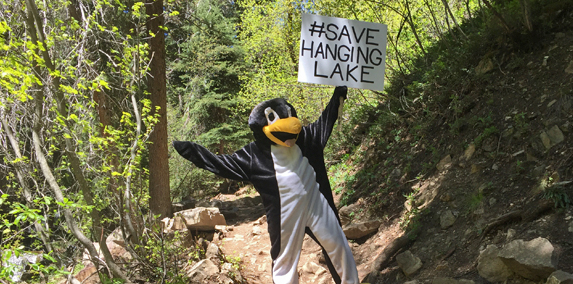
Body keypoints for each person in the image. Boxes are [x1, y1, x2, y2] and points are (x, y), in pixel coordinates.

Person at [173, 86, 359, 284]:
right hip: (285, 216)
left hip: (318, 205)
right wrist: (192, 151)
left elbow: (326, 120)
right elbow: (221, 164)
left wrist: (338, 94)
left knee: (339, 246)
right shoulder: (254, 155)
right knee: (284, 262)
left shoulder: (306, 138)